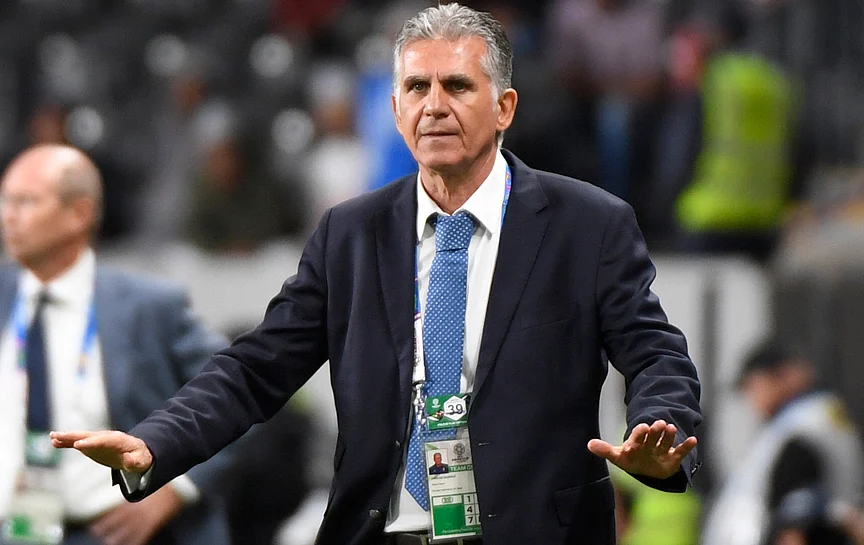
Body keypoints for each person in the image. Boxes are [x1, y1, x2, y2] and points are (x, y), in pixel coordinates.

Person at [52, 4, 702, 544]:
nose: (434, 106)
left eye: (457, 86)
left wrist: (661, 429)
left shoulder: (587, 225)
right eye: (417, 88)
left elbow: (655, 352)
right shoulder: (349, 234)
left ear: (504, 107)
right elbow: (255, 368)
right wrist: (155, 443)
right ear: (395, 109)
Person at [0, 144, 232, 545]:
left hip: (111, 533)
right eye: (5, 200)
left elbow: (236, 393)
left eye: (26, 201)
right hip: (15, 532)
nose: (8, 215)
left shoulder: (149, 307)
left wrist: (176, 490)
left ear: (79, 213)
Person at [702, 341, 864, 545]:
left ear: (785, 375)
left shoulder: (802, 428)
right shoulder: (814, 417)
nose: (750, 398)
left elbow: (795, 522)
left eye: (752, 385)